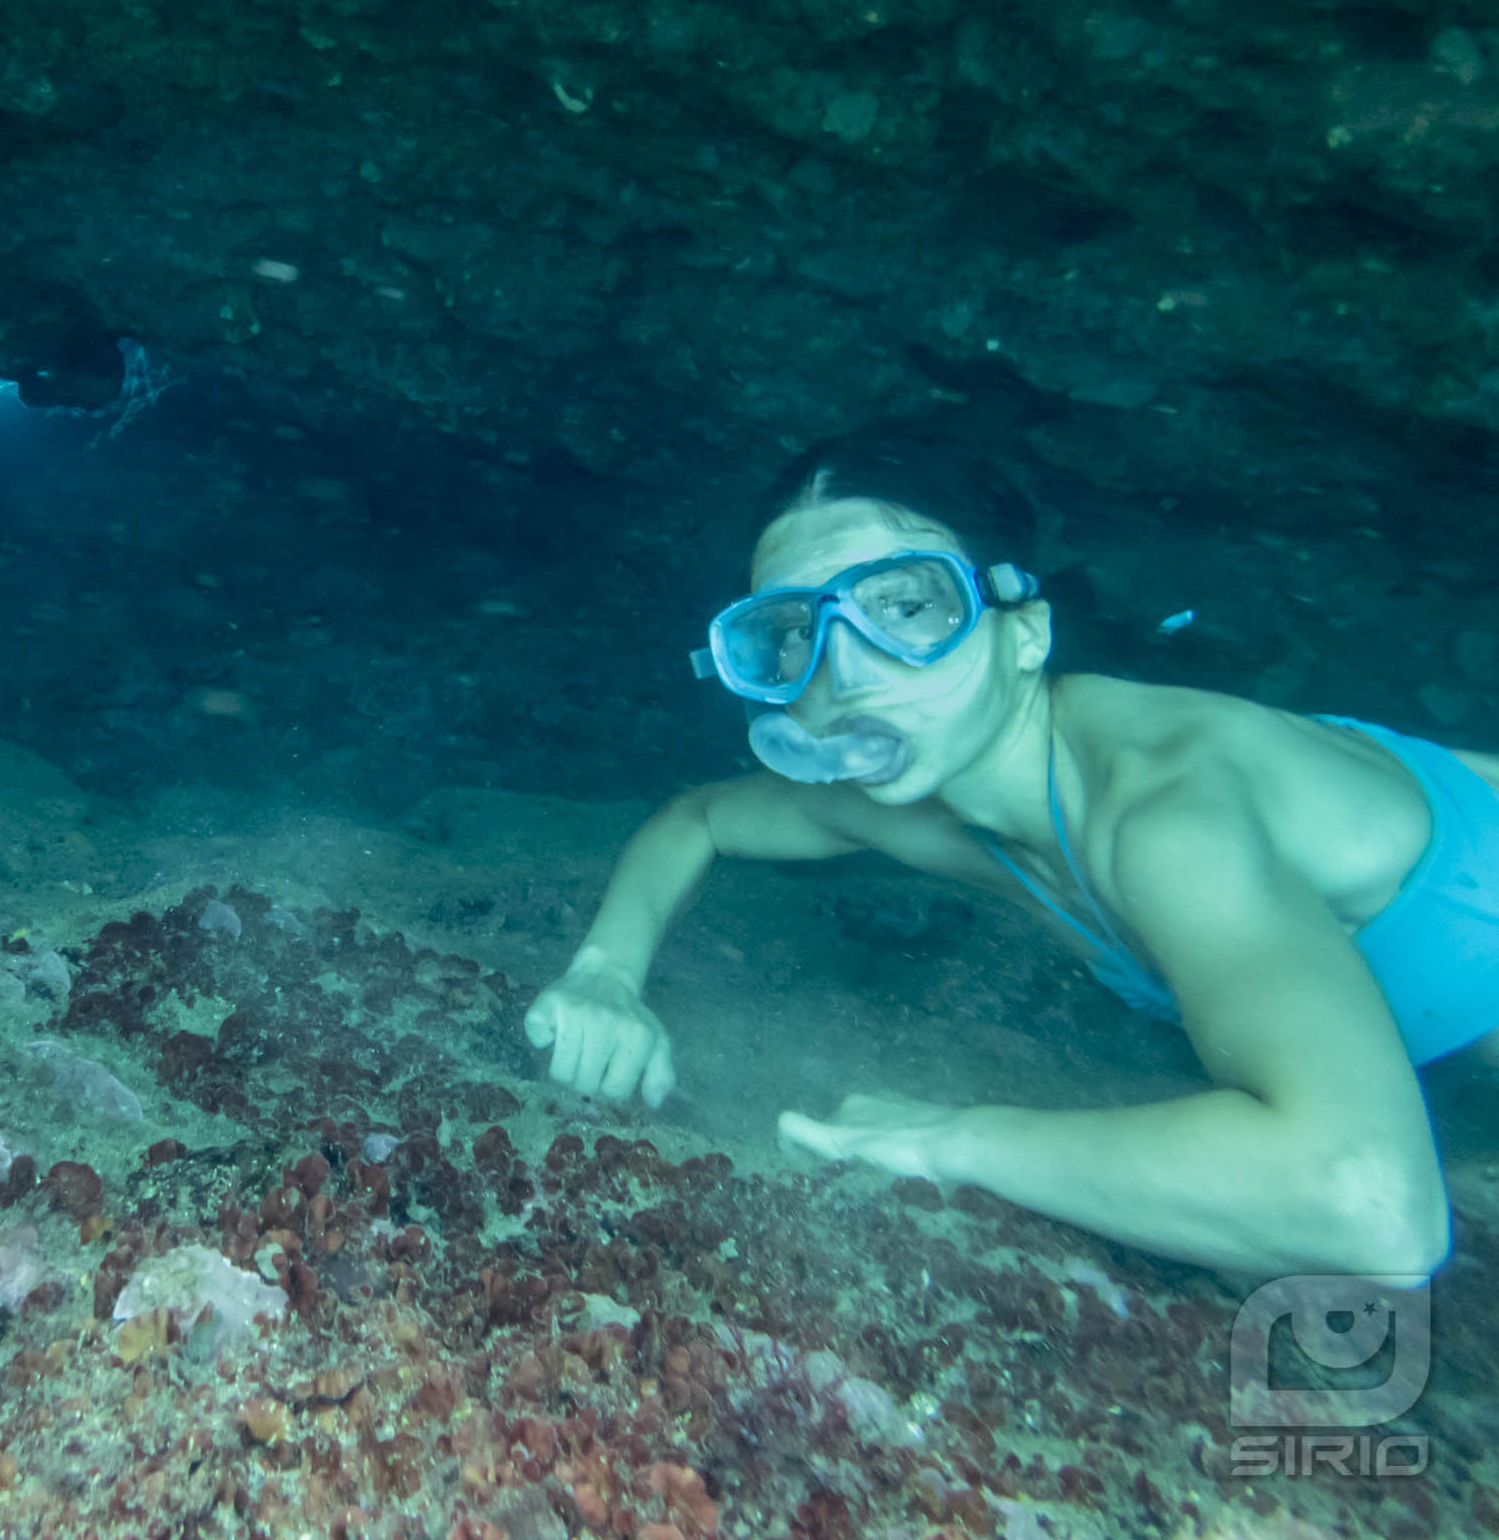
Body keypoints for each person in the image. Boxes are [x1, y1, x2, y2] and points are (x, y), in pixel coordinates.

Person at [523, 439, 1497, 1284]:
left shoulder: (1167, 818)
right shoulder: (912, 808)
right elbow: (699, 819)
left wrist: (956, 1140)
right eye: (785, 638)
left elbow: (1372, 1212)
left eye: (907, 606)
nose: (846, 671)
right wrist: (605, 974)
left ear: (1025, 631)